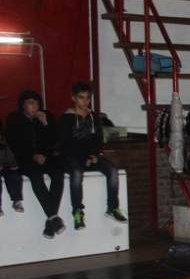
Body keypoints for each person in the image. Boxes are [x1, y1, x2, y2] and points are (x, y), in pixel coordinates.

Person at [57, 82, 128, 230]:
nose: (85, 101)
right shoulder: (66, 119)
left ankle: (112, 208)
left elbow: (98, 140)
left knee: (113, 170)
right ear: (73, 98)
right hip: (71, 157)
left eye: (88, 98)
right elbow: (65, 144)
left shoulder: (94, 117)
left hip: (91, 156)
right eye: (81, 98)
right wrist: (84, 158)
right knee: (76, 173)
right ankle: (77, 212)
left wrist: (96, 155)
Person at [5, 90, 66, 238]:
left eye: (37, 103)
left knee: (58, 174)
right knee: (35, 175)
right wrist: (32, 156)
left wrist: (46, 124)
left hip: (45, 155)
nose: (35, 106)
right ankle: (53, 217)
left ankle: (51, 220)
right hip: (25, 157)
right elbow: (14, 144)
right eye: (31, 103)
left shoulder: (46, 116)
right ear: (23, 105)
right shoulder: (14, 118)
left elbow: (54, 141)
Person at [0, 120, 24, 218]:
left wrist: (13, 165)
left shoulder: (4, 145)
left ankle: (16, 200)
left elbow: (10, 158)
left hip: (4, 167)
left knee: (15, 175)